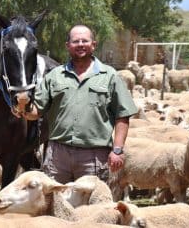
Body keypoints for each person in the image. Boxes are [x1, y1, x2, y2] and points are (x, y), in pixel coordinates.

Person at [19, 25, 137, 184]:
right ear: (68, 46)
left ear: (93, 45)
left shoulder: (110, 76)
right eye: (75, 41)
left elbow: (122, 115)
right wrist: (21, 107)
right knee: (54, 202)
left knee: (92, 206)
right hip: (58, 156)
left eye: (85, 41)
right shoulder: (55, 76)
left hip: (94, 156)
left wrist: (117, 150)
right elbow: (36, 111)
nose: (80, 44)